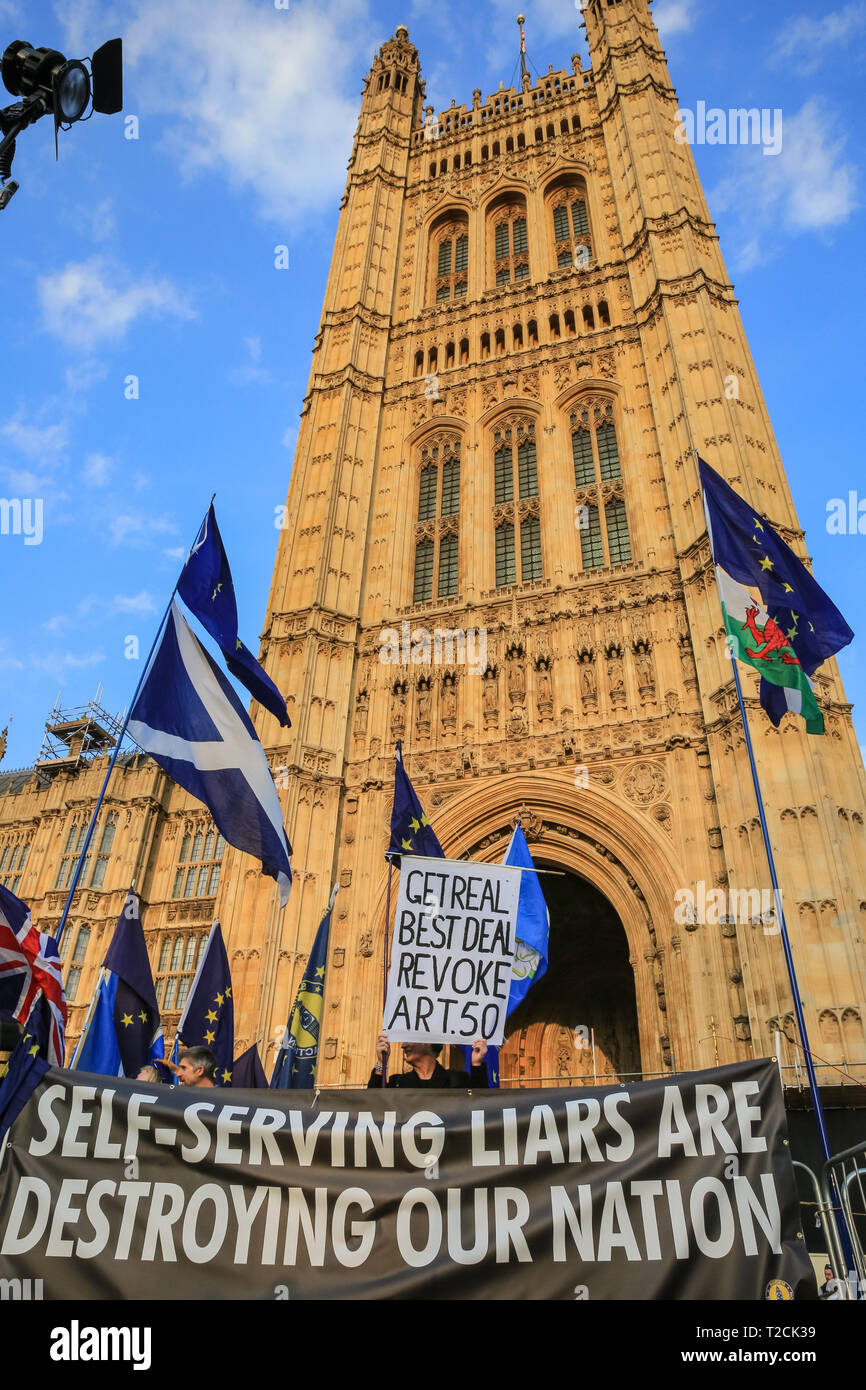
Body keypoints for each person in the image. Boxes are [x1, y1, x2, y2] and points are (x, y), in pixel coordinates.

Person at [368, 1033, 488, 1088]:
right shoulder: (397, 1083)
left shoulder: (459, 1081)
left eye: (408, 1039)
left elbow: (481, 1106)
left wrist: (476, 1064)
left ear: (428, 1042)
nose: (402, 1046)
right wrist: (381, 1063)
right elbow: (373, 1106)